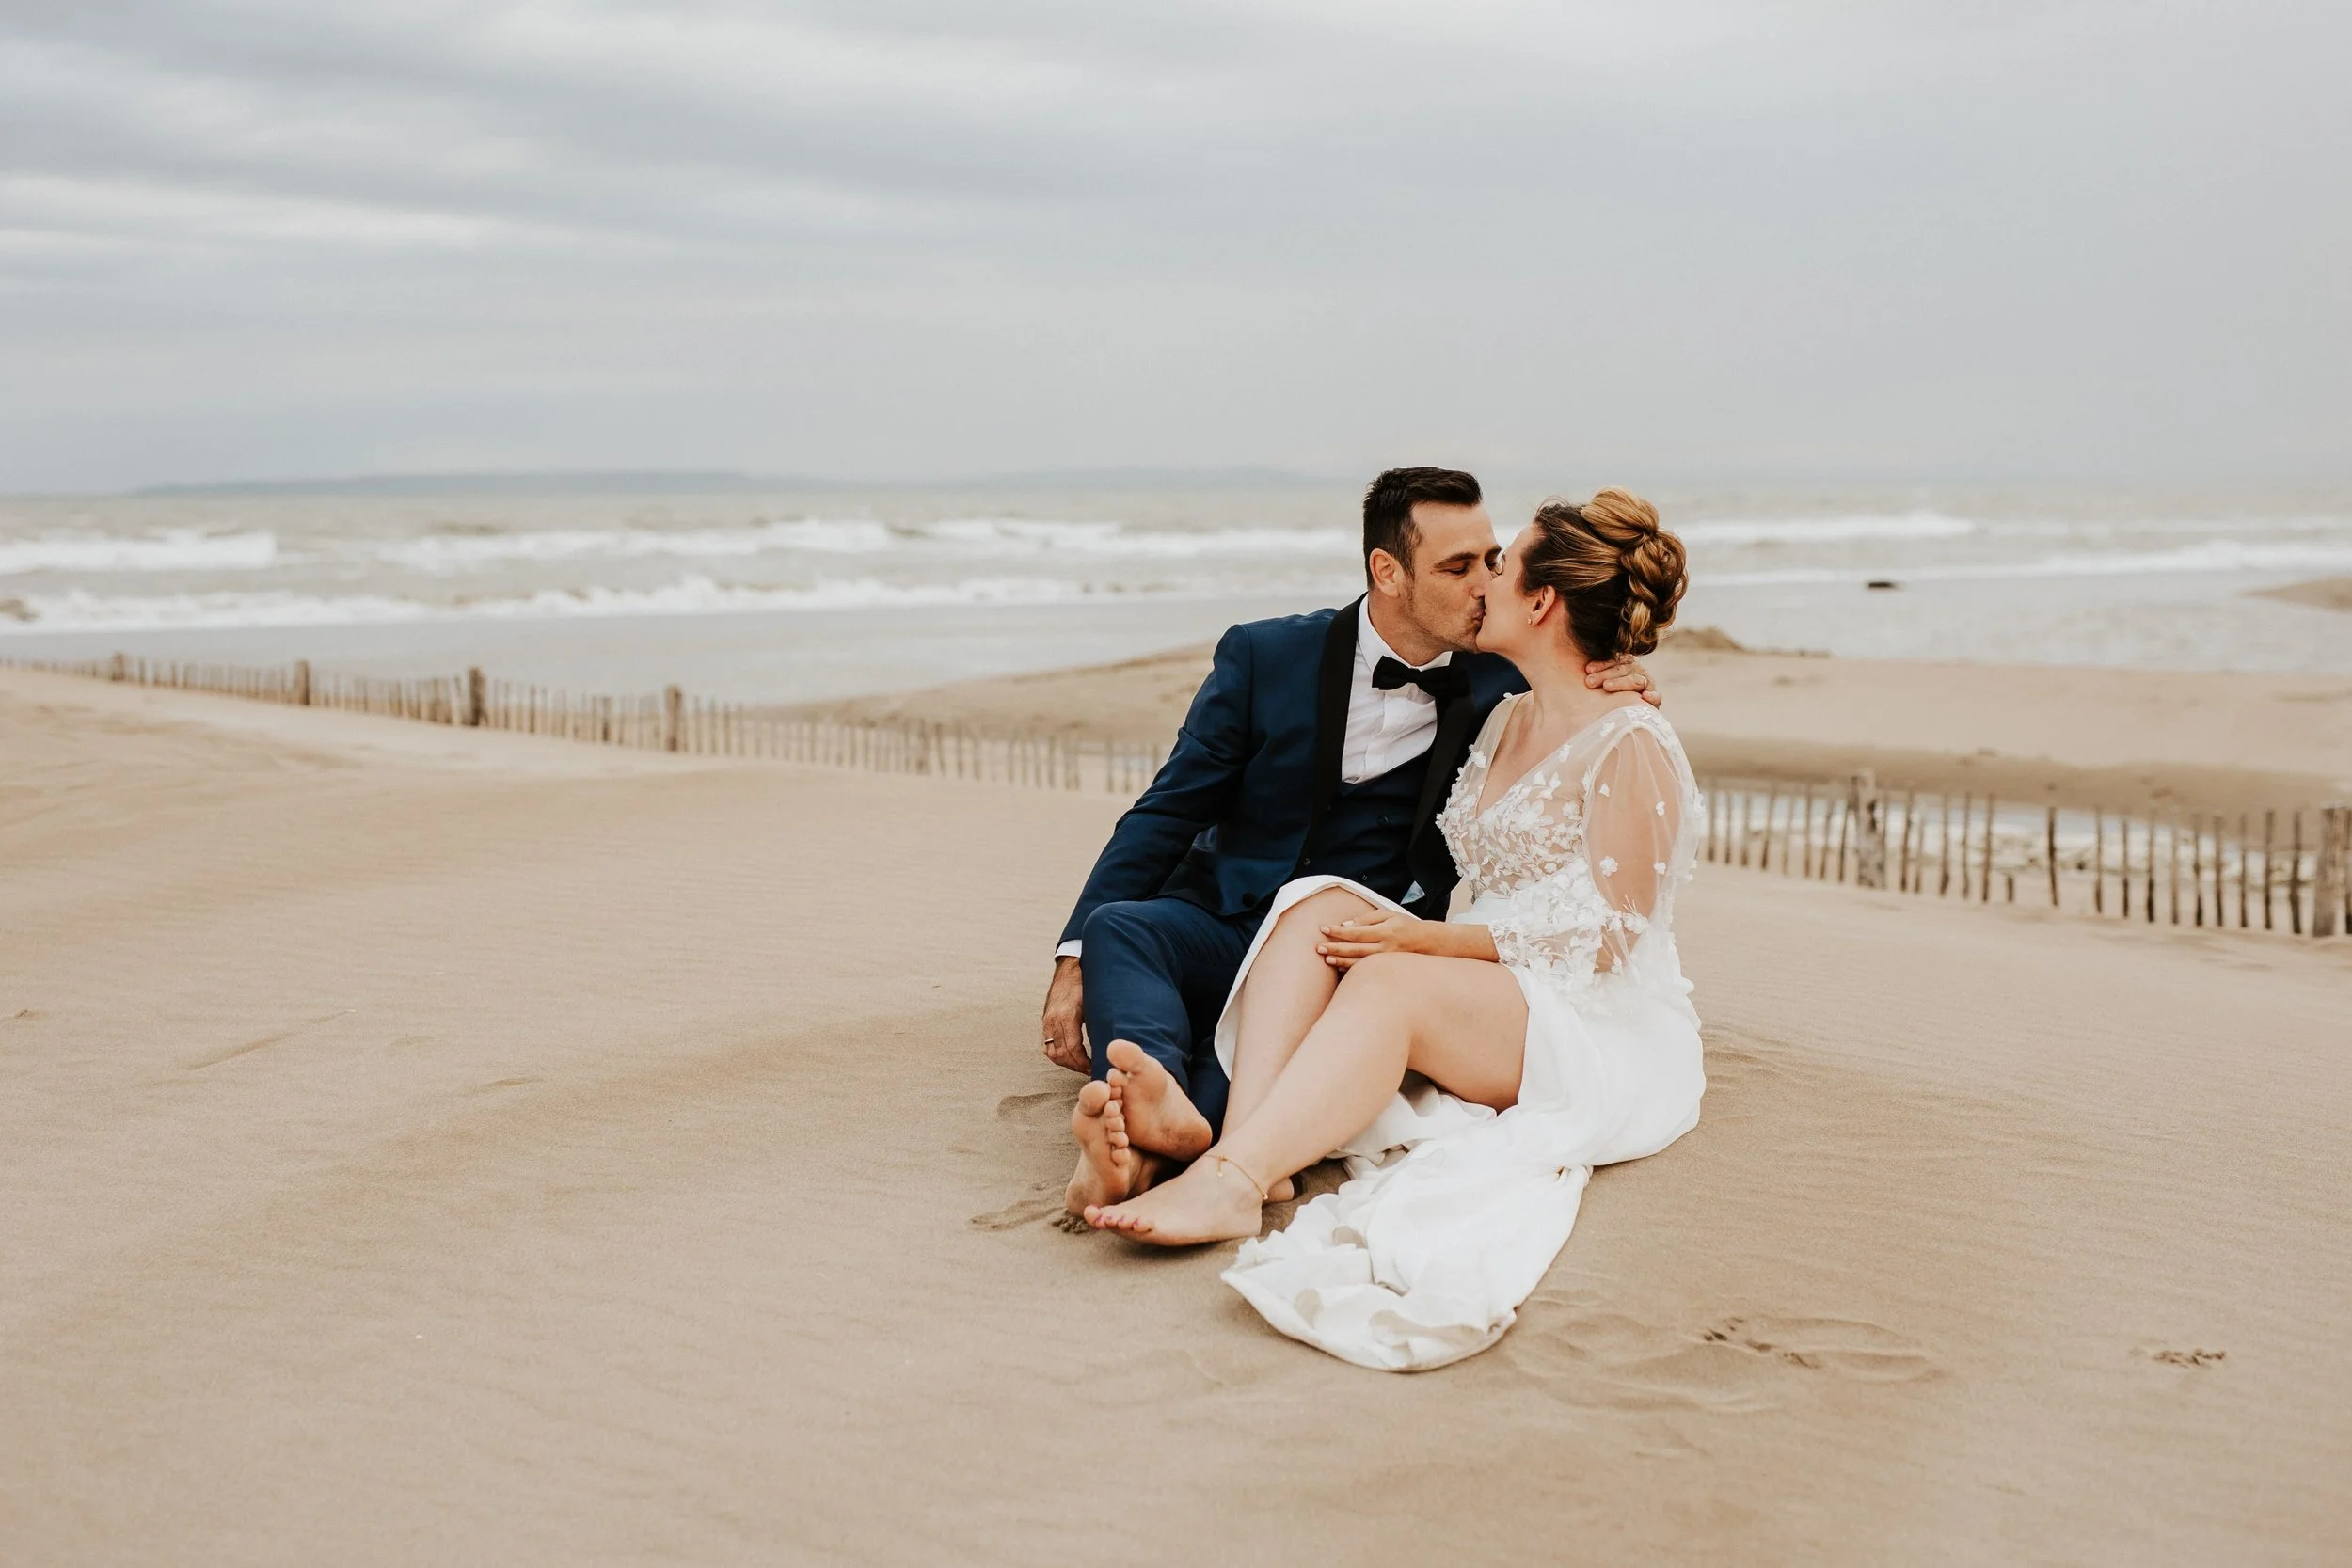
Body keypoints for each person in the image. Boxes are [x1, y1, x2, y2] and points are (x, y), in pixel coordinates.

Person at [1083, 489, 1708, 1372]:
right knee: (1314, 904)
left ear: (1542, 601)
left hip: (1590, 1012)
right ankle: (1244, 1143)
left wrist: (1427, 942)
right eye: (1470, 562)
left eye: (1502, 561)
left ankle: (1234, 1182)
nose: (1485, 578)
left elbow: (1611, 937)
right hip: (1485, 976)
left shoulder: (1630, 737)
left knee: (1388, 977)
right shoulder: (1502, 711)